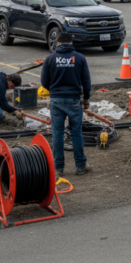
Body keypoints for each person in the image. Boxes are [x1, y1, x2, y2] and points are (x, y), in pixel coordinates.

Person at [40, 34, 91, 176]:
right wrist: (86, 98)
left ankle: (58, 168)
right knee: (76, 133)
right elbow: (86, 82)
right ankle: (81, 166)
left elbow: (44, 81)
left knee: (57, 133)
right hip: (74, 100)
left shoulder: (50, 59)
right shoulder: (79, 58)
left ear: (58, 43)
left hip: (56, 100)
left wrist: (55, 91)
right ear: (71, 42)